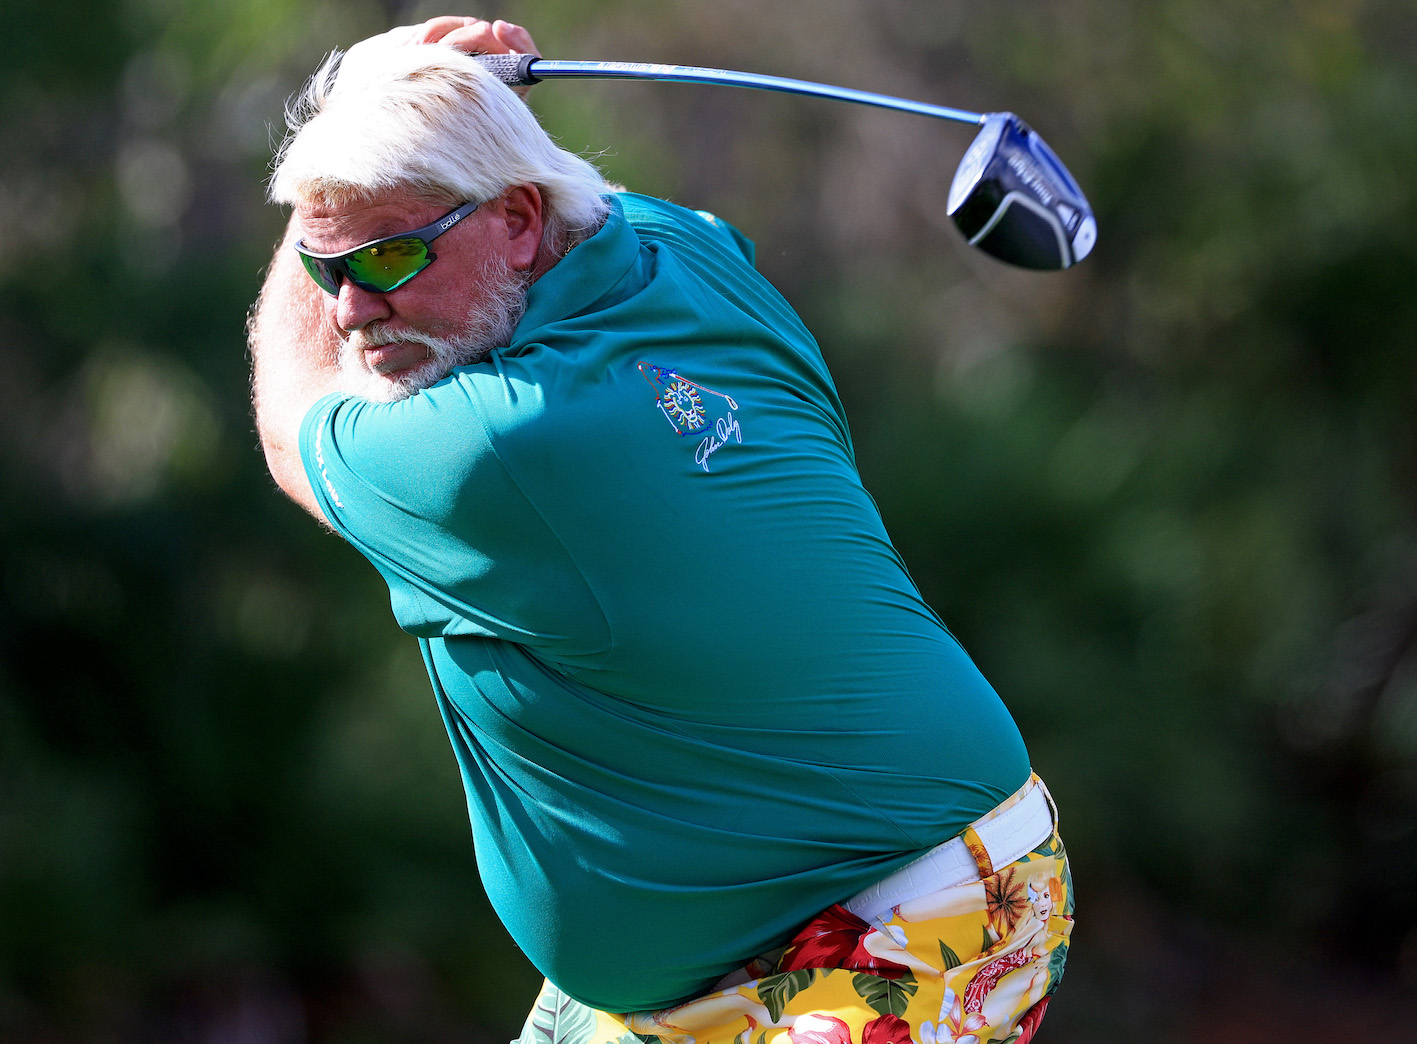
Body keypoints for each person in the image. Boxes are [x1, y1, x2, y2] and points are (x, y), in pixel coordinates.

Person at [246, 17, 1073, 1044]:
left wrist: (350, 103)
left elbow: (291, 425)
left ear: (513, 220)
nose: (352, 312)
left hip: (906, 919)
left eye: (391, 256)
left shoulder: (498, 449)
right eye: (329, 272)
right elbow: (581, 211)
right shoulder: (685, 250)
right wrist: (397, 122)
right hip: (688, 977)